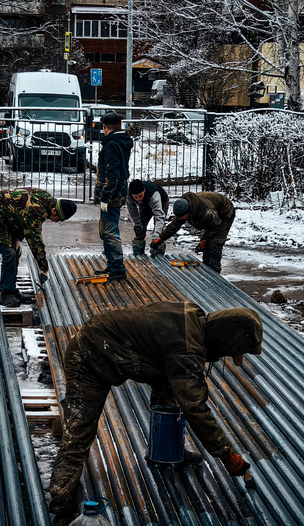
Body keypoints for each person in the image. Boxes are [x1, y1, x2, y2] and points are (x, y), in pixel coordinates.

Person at [48, 301, 263, 526]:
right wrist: (225, 453)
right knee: (78, 434)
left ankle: (166, 450)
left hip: (126, 350)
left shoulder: (194, 319)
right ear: (225, 338)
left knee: (171, 391)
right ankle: (62, 507)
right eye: (233, 351)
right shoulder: (186, 347)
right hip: (89, 354)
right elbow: (195, 408)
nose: (229, 356)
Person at [0, 188, 77, 307]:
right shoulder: (37, 210)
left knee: (15, 252)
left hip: (7, 218)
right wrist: (44, 269)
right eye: (58, 219)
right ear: (54, 211)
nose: (56, 222)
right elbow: (36, 243)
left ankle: (12, 289)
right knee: (10, 253)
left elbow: (22, 217)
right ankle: (6, 293)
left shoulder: (46, 198)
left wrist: (17, 238)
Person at [151, 191, 235, 273]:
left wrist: (205, 241)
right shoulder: (182, 211)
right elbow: (173, 226)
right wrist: (160, 239)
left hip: (225, 213)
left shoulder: (205, 212)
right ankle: (207, 268)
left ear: (189, 211)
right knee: (205, 242)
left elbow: (216, 225)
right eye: (179, 217)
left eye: (182, 217)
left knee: (215, 243)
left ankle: (215, 273)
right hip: (213, 216)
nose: (180, 219)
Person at [93, 111, 133, 281]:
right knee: (109, 229)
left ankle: (117, 267)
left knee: (110, 231)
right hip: (118, 193)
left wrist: (104, 197)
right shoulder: (122, 142)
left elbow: (112, 173)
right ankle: (112, 265)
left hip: (111, 195)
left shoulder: (111, 144)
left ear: (105, 127)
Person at [126, 179, 169, 257]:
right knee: (140, 228)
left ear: (144, 191)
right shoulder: (129, 195)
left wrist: (156, 237)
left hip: (161, 204)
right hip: (144, 206)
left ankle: (157, 253)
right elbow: (133, 211)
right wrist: (137, 223)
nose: (138, 199)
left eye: (140, 196)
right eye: (135, 197)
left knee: (159, 230)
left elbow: (159, 216)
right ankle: (138, 253)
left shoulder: (154, 195)